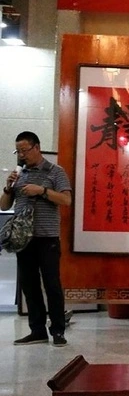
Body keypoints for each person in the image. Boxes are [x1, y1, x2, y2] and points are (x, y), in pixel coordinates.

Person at [1, 131, 72, 347]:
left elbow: (66, 200)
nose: (22, 155)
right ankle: (37, 331)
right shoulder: (19, 173)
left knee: (52, 285)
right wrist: (8, 188)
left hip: (47, 237)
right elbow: (4, 205)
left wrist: (41, 190)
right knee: (29, 286)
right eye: (18, 151)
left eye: (24, 150)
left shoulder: (55, 171)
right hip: (23, 239)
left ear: (37, 147)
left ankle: (58, 330)